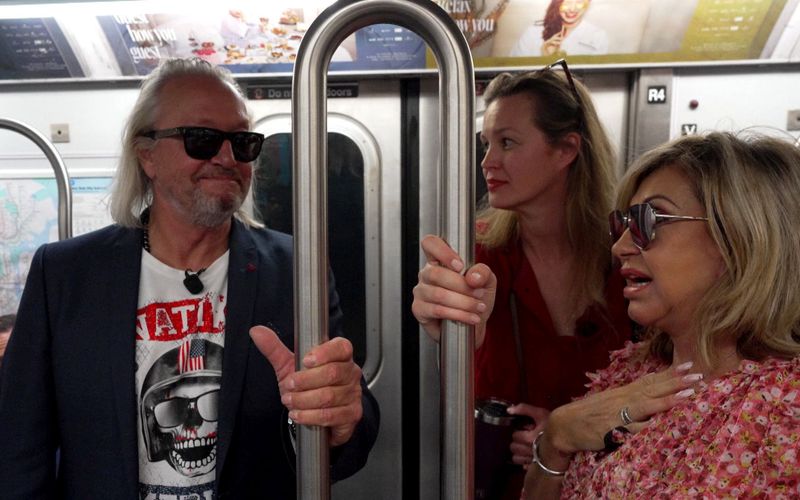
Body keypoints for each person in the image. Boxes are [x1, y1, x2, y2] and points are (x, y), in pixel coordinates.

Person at [0, 57, 379, 499]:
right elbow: (18, 447)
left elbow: (346, 423)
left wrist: (343, 419)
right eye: (201, 139)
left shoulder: (298, 269)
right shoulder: (66, 275)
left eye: (242, 142)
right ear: (147, 156)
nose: (226, 157)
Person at [523, 131, 800, 498]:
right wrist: (555, 439)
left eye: (648, 220)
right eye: (622, 224)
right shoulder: (629, 370)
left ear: (739, 237)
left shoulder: (785, 406)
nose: (620, 247)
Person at [412, 61, 631, 498]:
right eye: (486, 144)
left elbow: (671, 383)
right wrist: (452, 335)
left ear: (566, 149)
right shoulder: (480, 257)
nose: (488, 162)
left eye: (507, 143)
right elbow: (463, 401)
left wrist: (567, 435)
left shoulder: (629, 255)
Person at [510, 0, 608, 58]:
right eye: (566, 1)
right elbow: (514, 75)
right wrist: (544, 58)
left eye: (579, 1)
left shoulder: (597, 36)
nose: (572, 9)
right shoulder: (532, 33)